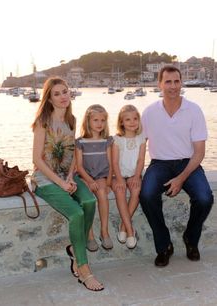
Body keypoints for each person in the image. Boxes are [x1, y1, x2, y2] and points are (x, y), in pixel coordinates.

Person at [31, 77, 104, 291]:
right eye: (57, 93)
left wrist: (71, 178)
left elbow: (72, 154)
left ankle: (75, 247)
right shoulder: (42, 123)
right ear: (49, 99)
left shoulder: (71, 120)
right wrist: (62, 184)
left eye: (65, 91)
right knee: (76, 213)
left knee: (90, 201)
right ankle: (83, 269)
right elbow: (37, 160)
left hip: (68, 176)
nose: (63, 96)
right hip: (46, 180)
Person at [140, 65, 214, 267]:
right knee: (146, 195)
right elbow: (139, 146)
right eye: (168, 82)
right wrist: (133, 174)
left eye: (176, 81)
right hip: (159, 163)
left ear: (181, 83)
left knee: (205, 198)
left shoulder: (194, 110)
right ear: (160, 84)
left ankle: (191, 238)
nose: (173, 86)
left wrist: (181, 178)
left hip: (188, 163)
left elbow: (199, 152)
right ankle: (164, 245)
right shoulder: (149, 112)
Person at [75, 104, 113, 251]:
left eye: (103, 120)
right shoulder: (81, 142)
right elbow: (79, 166)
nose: (99, 124)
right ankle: (90, 235)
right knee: (88, 198)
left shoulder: (107, 141)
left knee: (102, 193)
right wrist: (89, 181)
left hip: (101, 176)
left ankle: (104, 232)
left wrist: (108, 183)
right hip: (86, 176)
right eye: (96, 120)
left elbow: (110, 163)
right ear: (88, 121)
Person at [112, 104, 146, 249]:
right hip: (118, 174)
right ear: (121, 122)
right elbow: (114, 161)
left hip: (134, 174)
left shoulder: (141, 139)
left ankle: (122, 227)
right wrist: (119, 179)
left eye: (135, 119)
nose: (132, 122)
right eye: (128, 119)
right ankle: (130, 231)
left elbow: (141, 160)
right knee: (120, 191)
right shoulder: (117, 140)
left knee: (136, 191)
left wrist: (137, 176)